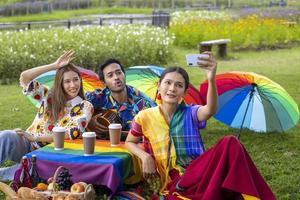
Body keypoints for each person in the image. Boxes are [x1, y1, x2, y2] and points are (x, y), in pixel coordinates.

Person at [125, 53, 276, 199]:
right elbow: (130, 141)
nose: (172, 88)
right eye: (168, 83)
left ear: (184, 92)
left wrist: (211, 78)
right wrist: (145, 157)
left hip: (199, 173)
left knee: (230, 142)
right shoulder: (144, 117)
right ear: (159, 85)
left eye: (179, 85)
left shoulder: (191, 113)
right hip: (172, 182)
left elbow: (210, 109)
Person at [0, 50, 94, 165]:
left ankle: (21, 170)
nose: (73, 85)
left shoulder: (85, 106)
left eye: (76, 79)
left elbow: (71, 134)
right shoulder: (48, 96)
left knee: (15, 175)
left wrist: (35, 137)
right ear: (61, 84)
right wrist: (54, 66)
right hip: (27, 144)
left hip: (49, 154)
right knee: (6, 136)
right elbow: (24, 78)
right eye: (67, 81)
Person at [86, 58, 156, 140]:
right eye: (110, 75)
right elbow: (74, 112)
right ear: (104, 82)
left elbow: (157, 129)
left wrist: (120, 134)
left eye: (119, 73)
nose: (116, 77)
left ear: (124, 74)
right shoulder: (96, 97)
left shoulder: (143, 101)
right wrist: (88, 121)